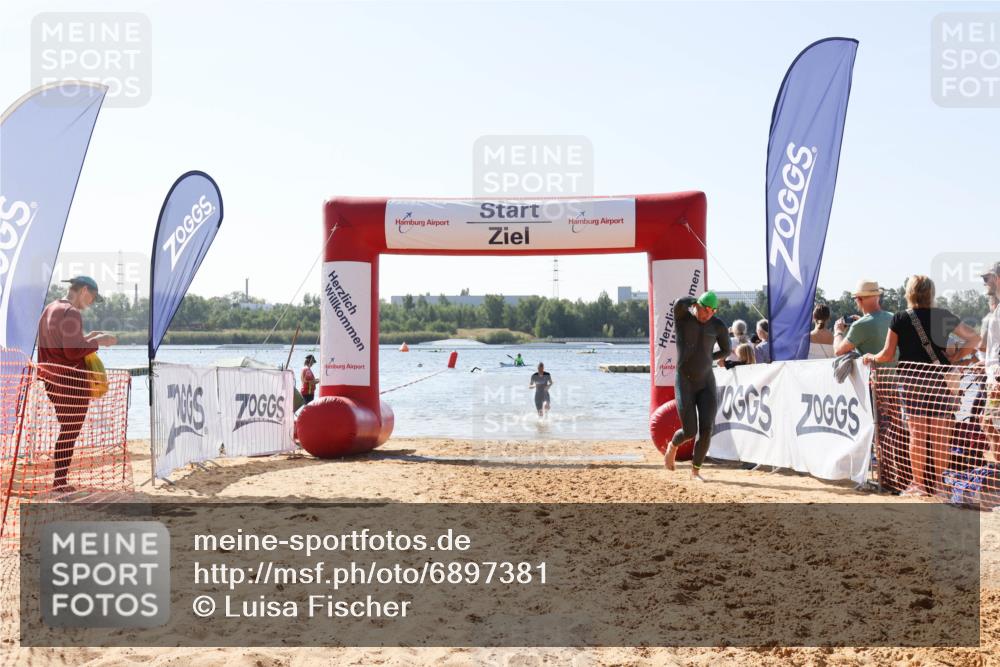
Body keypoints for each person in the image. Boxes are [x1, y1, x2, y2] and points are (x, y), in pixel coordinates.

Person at [863, 275, 981, 496]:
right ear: (931, 293)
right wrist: (958, 358)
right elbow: (975, 338)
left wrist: (872, 357)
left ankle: (918, 484)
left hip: (912, 381)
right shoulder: (943, 316)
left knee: (917, 434)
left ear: (909, 293)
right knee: (940, 436)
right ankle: (939, 486)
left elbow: (888, 354)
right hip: (940, 380)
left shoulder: (900, 318)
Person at [37, 276, 117, 492]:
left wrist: (87, 338)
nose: (91, 302)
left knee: (67, 430)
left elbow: (61, 345)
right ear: (83, 290)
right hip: (70, 383)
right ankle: (59, 482)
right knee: (70, 432)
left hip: (51, 380)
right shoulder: (71, 312)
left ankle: (59, 481)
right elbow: (72, 352)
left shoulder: (50, 309)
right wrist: (100, 341)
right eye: (92, 297)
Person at [664, 291, 731, 481]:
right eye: (704, 310)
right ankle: (673, 446)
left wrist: (710, 358)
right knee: (690, 431)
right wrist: (695, 300)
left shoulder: (718, 326)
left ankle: (695, 471)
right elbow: (678, 302)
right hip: (684, 380)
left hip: (706, 382)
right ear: (697, 307)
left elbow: (726, 349)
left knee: (707, 428)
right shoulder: (683, 319)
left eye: (712, 312)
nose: (707, 315)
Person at [833, 280, 895, 360]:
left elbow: (838, 351)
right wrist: (862, 320)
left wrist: (838, 332)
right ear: (878, 297)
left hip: (873, 372)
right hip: (895, 372)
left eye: (855, 298)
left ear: (859, 299)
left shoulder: (860, 325)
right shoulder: (894, 317)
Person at [979, 263, 1000, 453]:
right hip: (994, 378)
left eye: (986, 279)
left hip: (997, 380)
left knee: (988, 422)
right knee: (987, 422)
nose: (984, 283)